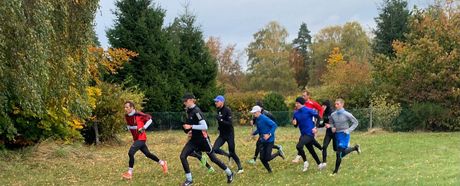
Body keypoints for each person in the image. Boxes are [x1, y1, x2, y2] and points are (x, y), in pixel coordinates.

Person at [179, 93, 234, 185]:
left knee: (213, 159)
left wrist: (191, 126)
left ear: (191, 100)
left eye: (185, 101)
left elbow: (204, 126)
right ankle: (189, 180)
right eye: (184, 101)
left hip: (203, 140)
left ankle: (229, 173)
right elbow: (190, 125)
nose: (184, 103)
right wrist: (188, 130)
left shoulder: (197, 111)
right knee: (182, 156)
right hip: (193, 140)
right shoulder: (189, 111)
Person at [122, 101, 168, 180]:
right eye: (125, 107)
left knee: (131, 153)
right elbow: (130, 126)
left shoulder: (139, 114)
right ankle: (163, 163)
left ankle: (129, 173)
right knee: (148, 154)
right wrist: (128, 128)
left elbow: (150, 120)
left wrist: (143, 128)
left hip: (141, 138)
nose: (125, 109)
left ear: (132, 107)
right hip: (136, 139)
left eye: (127, 107)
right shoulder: (126, 116)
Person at [292, 97, 326, 172]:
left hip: (310, 133)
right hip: (303, 133)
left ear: (300, 103)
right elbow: (296, 125)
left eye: (297, 103)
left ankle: (305, 162)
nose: (296, 104)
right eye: (296, 103)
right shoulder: (296, 113)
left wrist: (316, 128)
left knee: (299, 146)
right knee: (311, 150)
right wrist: (294, 123)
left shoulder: (309, 110)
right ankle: (320, 164)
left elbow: (319, 117)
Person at [212, 95, 244, 173]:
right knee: (215, 149)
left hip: (229, 134)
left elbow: (230, 123)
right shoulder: (218, 110)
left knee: (232, 151)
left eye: (217, 101)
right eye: (215, 101)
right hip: (222, 135)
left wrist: (221, 120)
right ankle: (228, 155)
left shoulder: (227, 110)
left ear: (222, 102)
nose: (215, 103)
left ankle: (240, 168)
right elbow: (221, 122)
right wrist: (219, 127)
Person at [330, 98, 361, 175]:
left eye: (338, 104)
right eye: (335, 104)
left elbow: (356, 122)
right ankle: (354, 148)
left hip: (344, 135)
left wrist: (348, 130)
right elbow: (331, 122)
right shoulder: (333, 114)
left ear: (342, 104)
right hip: (337, 135)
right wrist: (332, 127)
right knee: (340, 153)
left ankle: (335, 171)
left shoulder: (347, 114)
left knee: (338, 153)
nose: (336, 105)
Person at [317, 100, 336, 168]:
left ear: (327, 106)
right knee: (324, 146)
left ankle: (352, 148)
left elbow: (338, 123)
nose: (322, 107)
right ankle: (324, 162)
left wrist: (330, 126)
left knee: (335, 149)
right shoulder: (324, 113)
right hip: (328, 133)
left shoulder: (333, 113)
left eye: (324, 106)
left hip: (335, 132)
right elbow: (324, 123)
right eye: (322, 105)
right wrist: (317, 125)